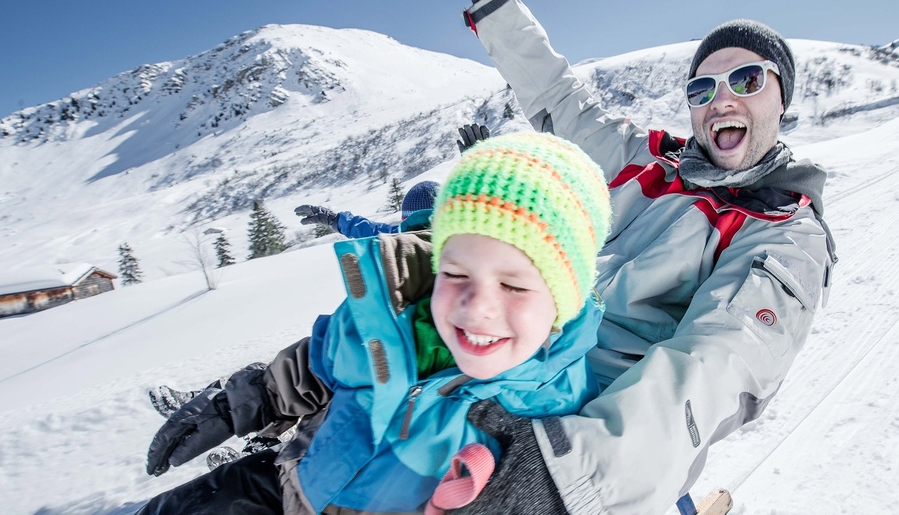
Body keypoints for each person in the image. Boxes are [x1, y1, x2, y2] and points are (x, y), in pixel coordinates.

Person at [445, 0, 839, 513]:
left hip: (591, 421)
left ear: (783, 99)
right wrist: (491, 1)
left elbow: (714, 363)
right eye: (702, 88)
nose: (722, 100)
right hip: (523, 350)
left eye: (746, 80)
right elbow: (560, 100)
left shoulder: (785, 232)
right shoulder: (650, 163)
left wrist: (571, 475)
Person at [137, 131, 613, 515]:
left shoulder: (560, 411)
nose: (477, 306)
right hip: (289, 484)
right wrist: (245, 401)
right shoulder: (393, 314)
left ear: (564, 299)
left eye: (513, 284)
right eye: (454, 272)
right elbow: (323, 358)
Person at [293, 123, 493, 238]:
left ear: (405, 219)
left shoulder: (396, 242)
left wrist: (332, 219)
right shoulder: (470, 237)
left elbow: (368, 230)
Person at [293, 179, 440, 238]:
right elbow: (373, 230)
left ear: (405, 220)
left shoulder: (399, 245)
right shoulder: (455, 243)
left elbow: (372, 231)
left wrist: (333, 219)